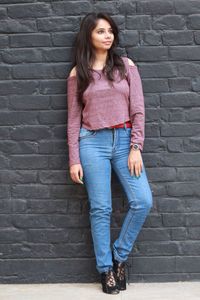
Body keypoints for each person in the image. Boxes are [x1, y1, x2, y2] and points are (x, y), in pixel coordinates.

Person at [66, 12, 153, 295]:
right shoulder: (78, 73)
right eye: (101, 31)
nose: (108, 35)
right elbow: (73, 119)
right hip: (91, 143)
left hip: (125, 138)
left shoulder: (127, 66)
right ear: (88, 36)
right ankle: (106, 270)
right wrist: (74, 159)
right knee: (100, 209)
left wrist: (136, 146)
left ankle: (119, 255)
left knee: (142, 201)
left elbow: (138, 108)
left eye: (110, 31)